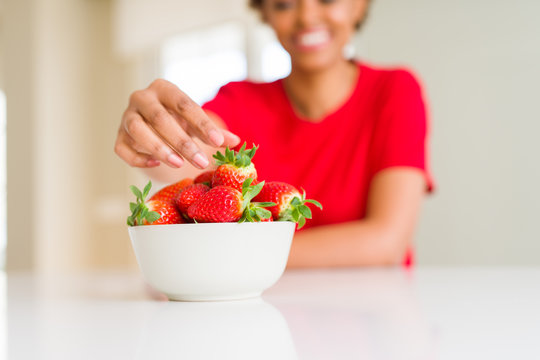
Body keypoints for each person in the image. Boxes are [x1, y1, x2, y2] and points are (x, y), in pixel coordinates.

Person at [114, 0, 434, 268]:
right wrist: (151, 136)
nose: (307, 16)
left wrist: (232, 257)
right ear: (264, 13)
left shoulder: (395, 91)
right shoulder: (238, 100)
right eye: (284, 3)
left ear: (359, 5)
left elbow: (386, 241)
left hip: (378, 318)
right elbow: (188, 155)